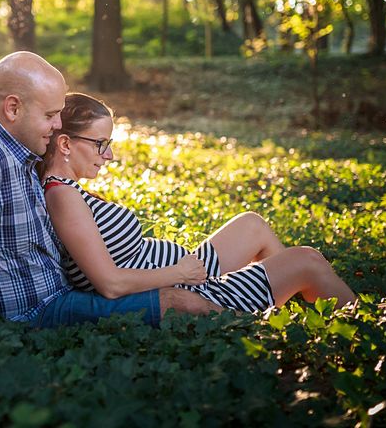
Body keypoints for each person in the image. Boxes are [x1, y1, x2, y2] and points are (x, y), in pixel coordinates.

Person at [0, 53, 217, 351]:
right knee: (179, 302)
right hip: (30, 318)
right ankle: (257, 337)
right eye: (51, 115)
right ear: (13, 107)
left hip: (56, 299)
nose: (58, 125)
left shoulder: (19, 157)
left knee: (189, 289)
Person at [40, 92, 357, 312]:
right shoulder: (62, 196)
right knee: (307, 261)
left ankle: (291, 301)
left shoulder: (66, 190)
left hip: (187, 270)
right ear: (65, 143)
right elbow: (110, 283)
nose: (109, 155)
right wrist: (180, 273)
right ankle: (364, 324)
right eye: (100, 145)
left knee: (252, 224)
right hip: (187, 288)